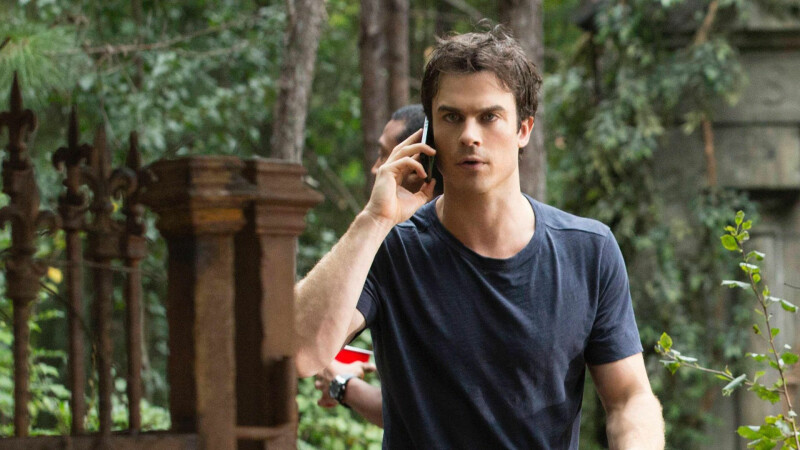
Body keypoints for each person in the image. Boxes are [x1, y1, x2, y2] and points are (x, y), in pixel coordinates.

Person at [296, 27, 665, 449]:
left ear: (524, 129)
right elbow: (300, 351)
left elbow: (628, 398)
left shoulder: (588, 250)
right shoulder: (390, 248)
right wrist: (373, 220)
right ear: (429, 133)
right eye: (452, 117)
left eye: (489, 117)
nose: (470, 135)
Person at [312, 104, 427, 428]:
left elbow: (429, 416)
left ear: (418, 162)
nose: (377, 168)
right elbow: (311, 339)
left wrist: (343, 385)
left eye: (385, 155)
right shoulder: (391, 250)